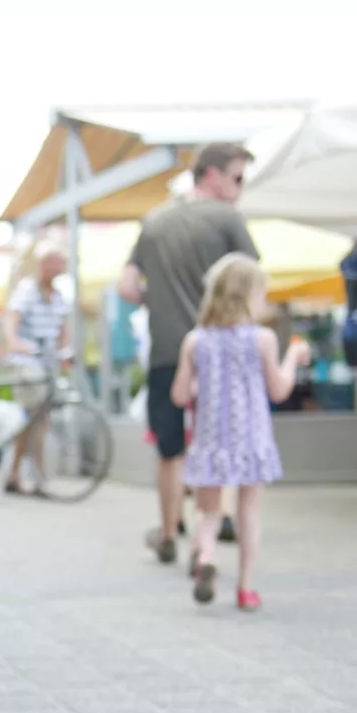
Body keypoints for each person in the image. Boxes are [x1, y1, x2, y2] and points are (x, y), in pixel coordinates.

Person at [120, 142, 260, 563]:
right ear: (212, 175)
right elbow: (251, 284)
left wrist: (157, 301)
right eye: (237, 177)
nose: (240, 187)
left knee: (170, 449)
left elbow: (127, 287)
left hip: (167, 350)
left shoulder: (155, 222)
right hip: (219, 350)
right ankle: (212, 528)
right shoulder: (227, 220)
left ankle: (167, 532)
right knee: (217, 439)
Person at [171, 255, 306, 610]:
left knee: (209, 510)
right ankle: (246, 589)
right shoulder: (262, 339)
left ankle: (207, 556)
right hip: (250, 438)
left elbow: (180, 395)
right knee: (249, 510)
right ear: (250, 296)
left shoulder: (195, 340)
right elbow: (278, 390)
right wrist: (293, 358)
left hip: (211, 438)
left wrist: (205, 383)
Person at [0, 241, 70, 497]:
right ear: (43, 265)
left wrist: (65, 352)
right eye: (53, 262)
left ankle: (15, 473)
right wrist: (15, 343)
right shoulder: (27, 291)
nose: (58, 267)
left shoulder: (59, 297)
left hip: (47, 364)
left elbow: (62, 331)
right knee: (38, 419)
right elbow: (11, 320)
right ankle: (37, 476)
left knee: (33, 421)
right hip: (27, 364)